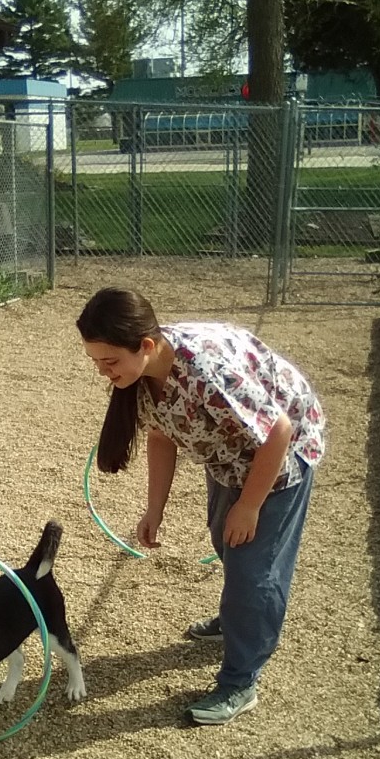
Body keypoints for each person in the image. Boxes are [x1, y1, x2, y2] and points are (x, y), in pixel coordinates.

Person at [77, 287, 325, 726]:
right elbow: (160, 435)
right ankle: (237, 620)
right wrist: (155, 510)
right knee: (225, 541)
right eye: (96, 362)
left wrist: (250, 506)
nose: (102, 373)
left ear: (146, 346)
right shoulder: (143, 376)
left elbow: (278, 431)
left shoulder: (207, 372)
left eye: (109, 361)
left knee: (253, 571)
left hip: (278, 458)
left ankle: (240, 680)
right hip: (227, 457)